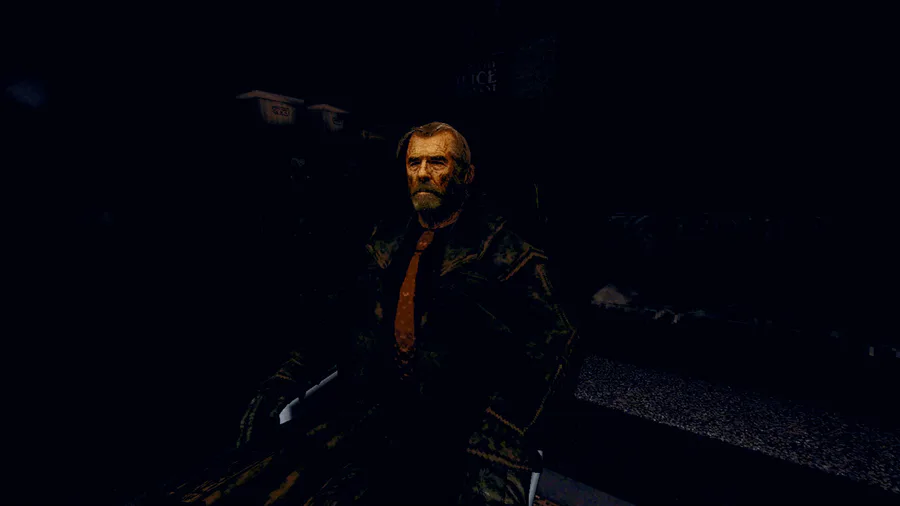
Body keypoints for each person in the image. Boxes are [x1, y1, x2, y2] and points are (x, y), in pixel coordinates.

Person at [147, 122, 578, 505]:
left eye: (437, 162)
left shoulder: (508, 255)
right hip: (376, 413)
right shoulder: (383, 245)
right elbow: (336, 319)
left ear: (466, 174)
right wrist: (287, 376)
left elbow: (557, 341)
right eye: (413, 163)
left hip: (464, 427)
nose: (422, 174)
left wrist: (501, 428)